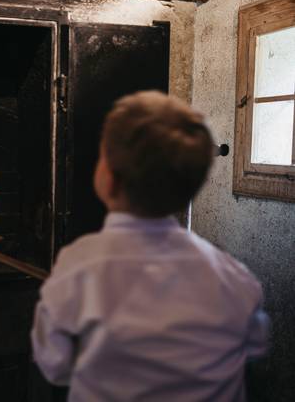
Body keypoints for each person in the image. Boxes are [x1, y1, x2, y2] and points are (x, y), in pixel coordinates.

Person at [31, 91, 269, 402]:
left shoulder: (78, 266)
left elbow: (55, 365)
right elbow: (255, 346)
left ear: (109, 180)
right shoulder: (235, 277)